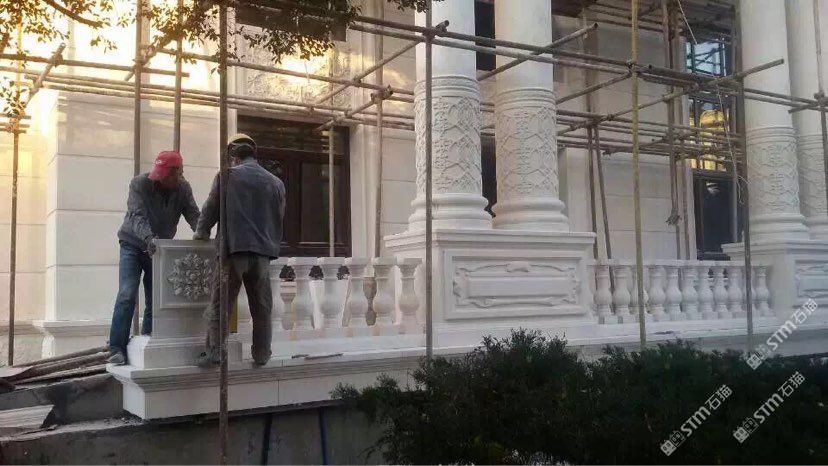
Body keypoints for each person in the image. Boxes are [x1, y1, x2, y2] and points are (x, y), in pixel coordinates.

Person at [194, 134, 286, 367]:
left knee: (221, 304)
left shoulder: (227, 176)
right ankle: (262, 354)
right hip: (262, 253)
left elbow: (211, 209)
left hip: (234, 250)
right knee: (262, 307)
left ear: (233, 157)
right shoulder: (276, 182)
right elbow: (279, 215)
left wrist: (201, 232)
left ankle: (215, 353)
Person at [108, 150, 201, 365]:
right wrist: (149, 238)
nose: (158, 178)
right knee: (127, 293)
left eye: (164, 175)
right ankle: (116, 348)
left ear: (177, 173)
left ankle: (147, 342)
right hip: (132, 244)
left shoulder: (184, 189)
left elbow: (194, 215)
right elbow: (136, 215)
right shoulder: (139, 184)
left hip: (158, 249)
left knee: (154, 299)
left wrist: (203, 234)